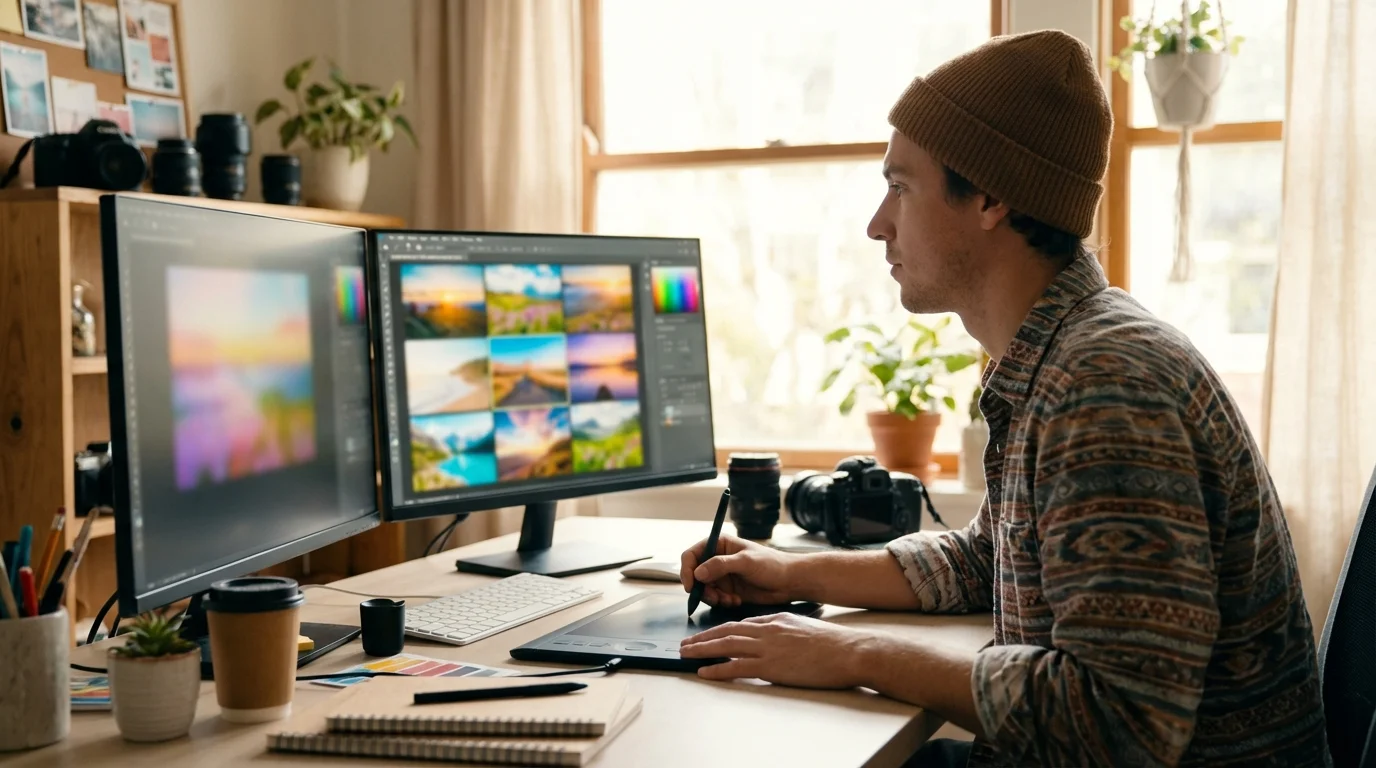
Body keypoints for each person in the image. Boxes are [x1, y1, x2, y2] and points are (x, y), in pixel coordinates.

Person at [677, 29, 1329, 768]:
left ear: (990, 197)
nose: (876, 224)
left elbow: (1119, 725)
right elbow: (990, 559)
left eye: (900, 186)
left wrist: (852, 651)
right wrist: (788, 573)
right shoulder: (1057, 357)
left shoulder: (1105, 384)